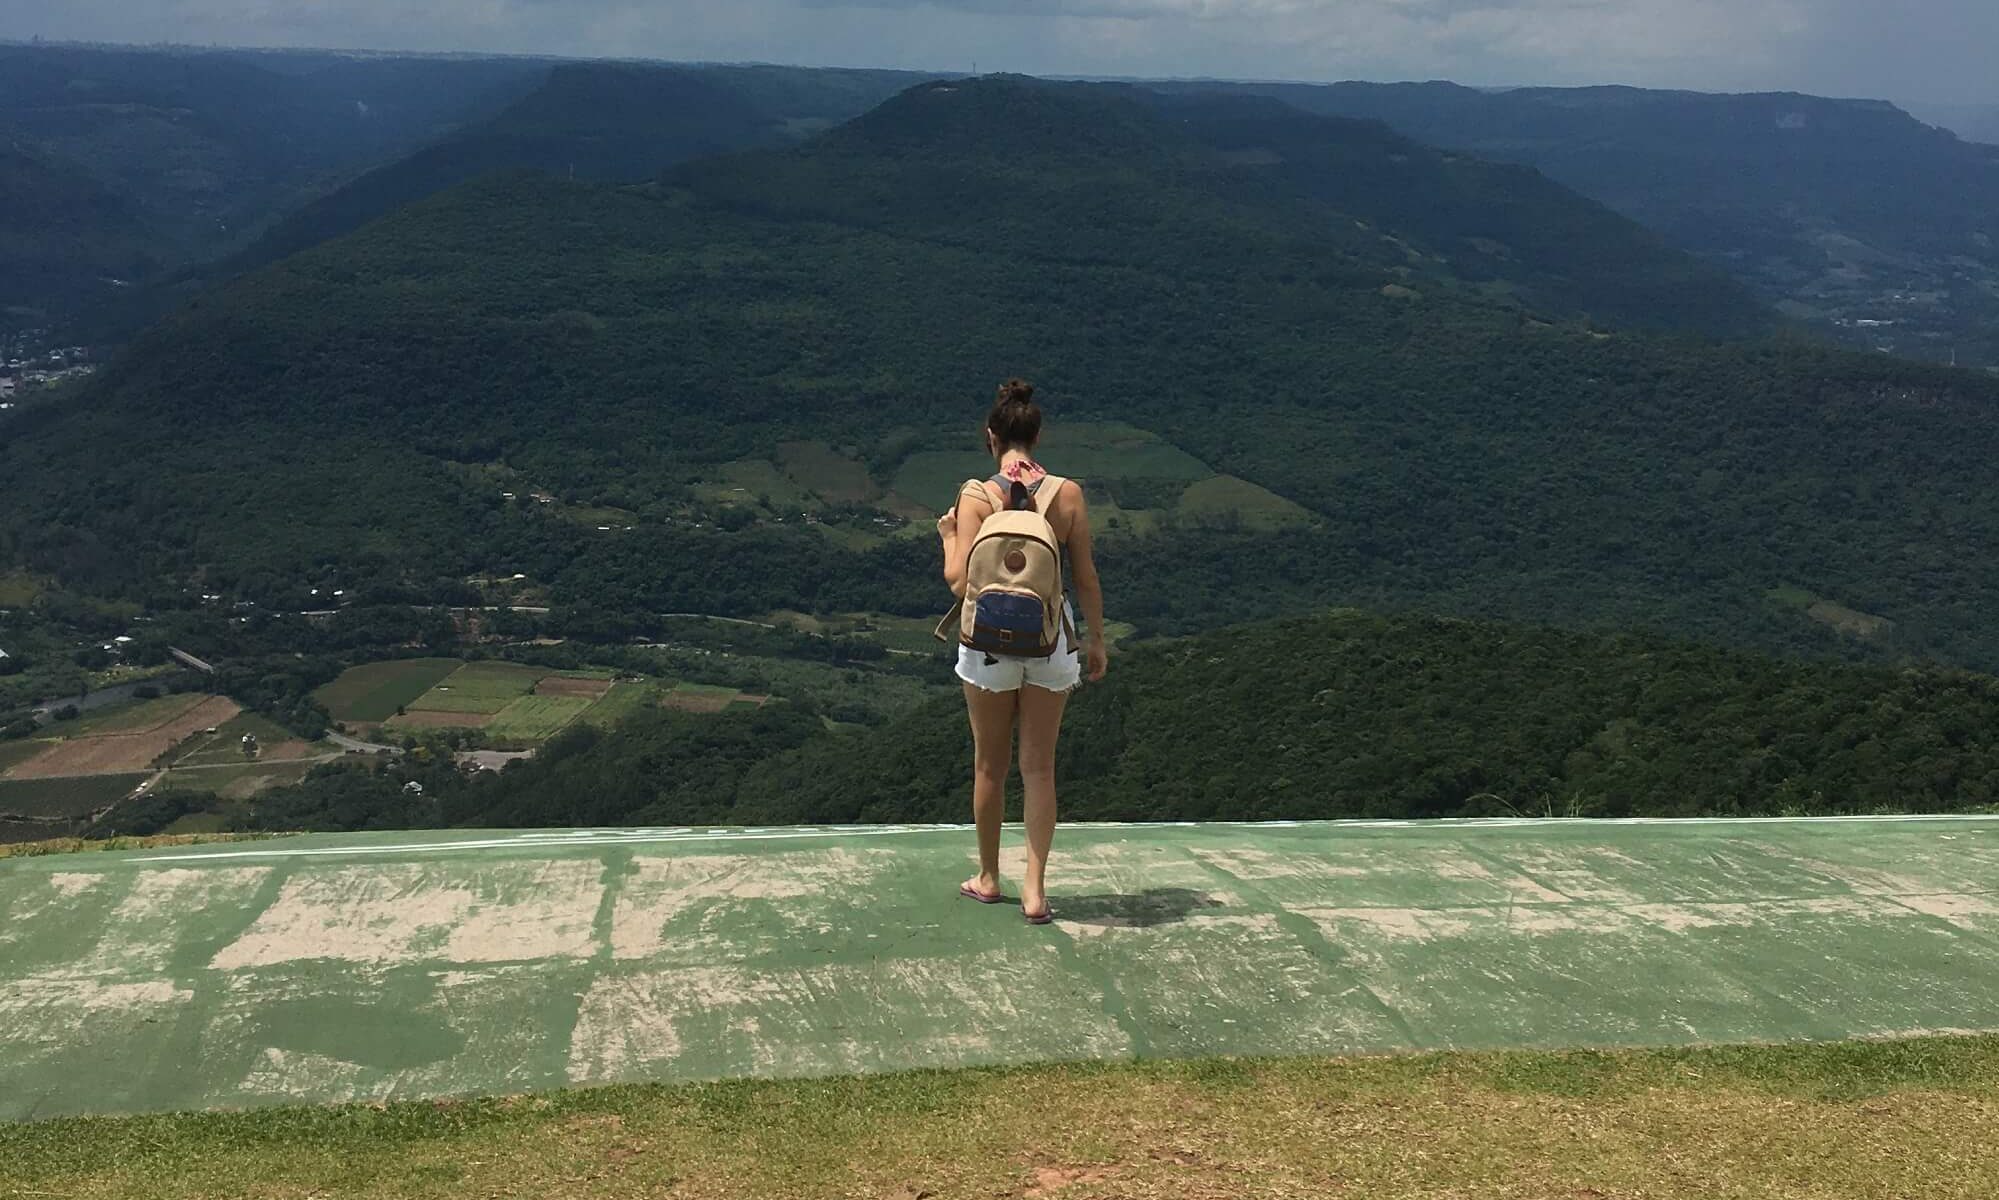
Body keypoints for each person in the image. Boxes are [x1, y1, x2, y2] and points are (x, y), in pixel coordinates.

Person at [937, 378, 1108, 924]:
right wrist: (1096, 640)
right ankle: (1035, 890)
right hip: (1051, 640)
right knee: (1039, 769)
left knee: (990, 765)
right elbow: (1084, 578)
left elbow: (961, 583)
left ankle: (989, 877)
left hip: (985, 646)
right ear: (1038, 436)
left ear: (991, 438)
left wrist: (946, 538)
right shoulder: (1068, 495)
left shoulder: (974, 495)